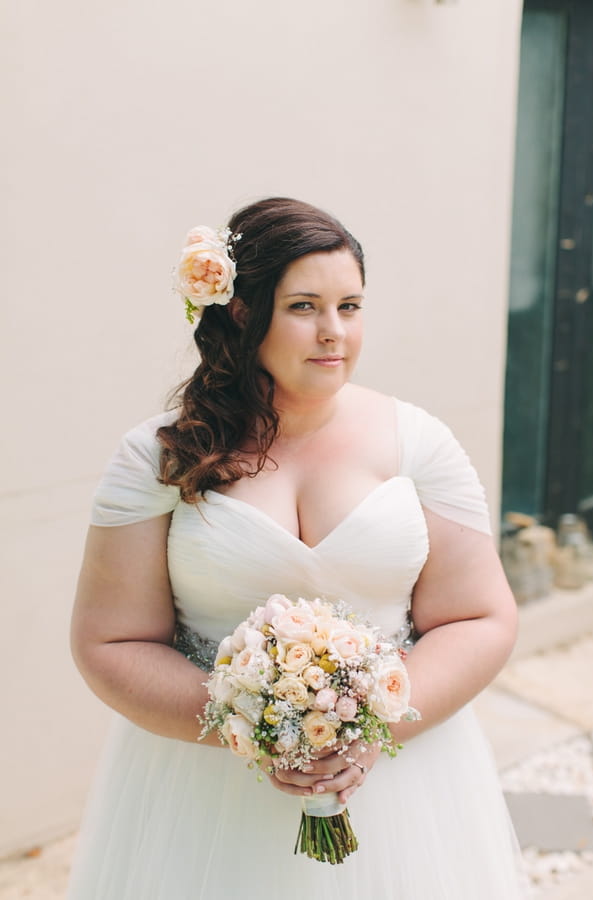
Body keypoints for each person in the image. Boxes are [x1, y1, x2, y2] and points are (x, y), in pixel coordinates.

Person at [68, 197, 527, 899]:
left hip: (403, 786)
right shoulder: (156, 457)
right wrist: (256, 726)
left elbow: (480, 618)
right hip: (206, 793)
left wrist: (377, 723)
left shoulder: (419, 444)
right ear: (244, 312)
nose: (334, 332)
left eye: (350, 306)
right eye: (305, 307)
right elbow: (109, 642)